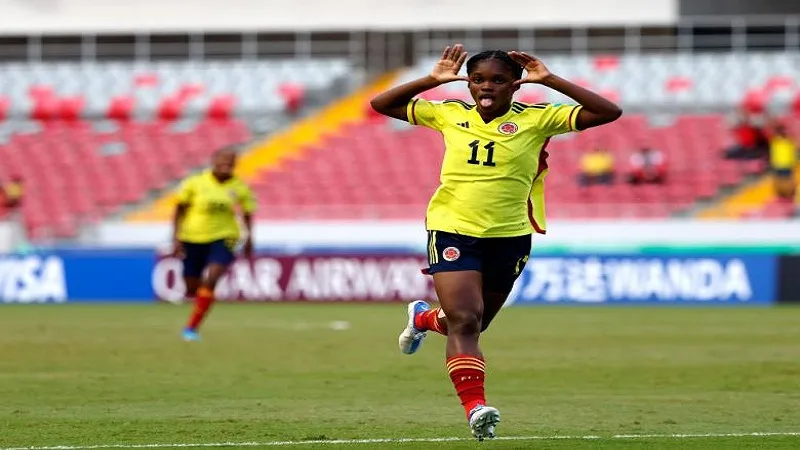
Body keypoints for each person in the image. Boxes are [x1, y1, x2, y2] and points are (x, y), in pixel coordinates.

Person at [369, 44, 621, 440]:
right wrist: (430, 81)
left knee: (474, 321)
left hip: (510, 235)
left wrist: (550, 79)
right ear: (468, 82)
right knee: (466, 321)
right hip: (453, 228)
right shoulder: (448, 112)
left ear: (515, 85)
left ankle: (423, 318)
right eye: (478, 79)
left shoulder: (539, 119)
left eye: (498, 80)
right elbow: (381, 104)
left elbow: (609, 112)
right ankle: (476, 409)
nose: (487, 87)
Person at [171, 146, 257, 342]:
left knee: (212, 278)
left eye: (231, 161)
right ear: (214, 161)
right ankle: (204, 297)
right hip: (193, 237)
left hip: (224, 237)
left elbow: (247, 213)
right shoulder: (195, 183)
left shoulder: (240, 187)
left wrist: (250, 238)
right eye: (223, 160)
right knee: (192, 287)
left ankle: (191, 328)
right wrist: (176, 238)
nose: (227, 164)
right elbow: (180, 210)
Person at [768, 123, 797, 200]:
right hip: (778, 164)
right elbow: (773, 153)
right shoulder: (775, 142)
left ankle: (790, 193)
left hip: (787, 164)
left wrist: (793, 162)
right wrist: (773, 162)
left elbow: (792, 152)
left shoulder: (788, 141)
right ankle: (781, 194)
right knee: (779, 180)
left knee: (788, 180)